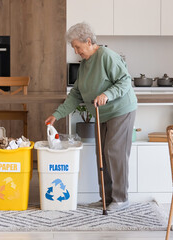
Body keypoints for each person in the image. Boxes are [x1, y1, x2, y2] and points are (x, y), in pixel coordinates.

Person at [44, 22, 137, 210]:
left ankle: (121, 198)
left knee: (114, 152)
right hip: (101, 114)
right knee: (102, 154)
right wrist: (57, 115)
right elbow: (76, 93)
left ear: (88, 41)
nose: (76, 51)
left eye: (77, 47)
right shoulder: (85, 64)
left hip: (120, 110)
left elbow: (125, 80)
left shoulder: (106, 56)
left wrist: (107, 95)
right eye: (74, 48)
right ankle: (107, 198)